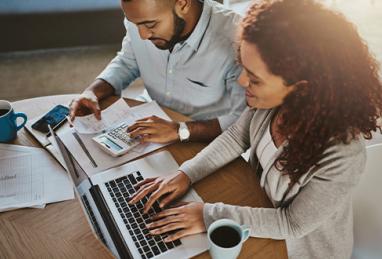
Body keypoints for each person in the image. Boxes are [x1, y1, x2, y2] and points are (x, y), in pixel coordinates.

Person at [127, 0, 382, 258]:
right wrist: (185, 174)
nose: (241, 81)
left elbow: (292, 224)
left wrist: (207, 215)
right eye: (243, 68)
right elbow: (236, 137)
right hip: (256, 213)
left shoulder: (344, 154)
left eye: (255, 78)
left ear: (302, 89)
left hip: (299, 249)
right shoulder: (272, 102)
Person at [69, 0, 246, 143]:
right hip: (146, 116)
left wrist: (180, 130)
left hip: (201, 138)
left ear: (183, 4)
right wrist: (93, 91)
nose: (143, 35)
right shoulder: (141, 17)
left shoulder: (236, 40)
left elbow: (242, 120)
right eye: (135, 24)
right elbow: (128, 62)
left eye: (150, 24)